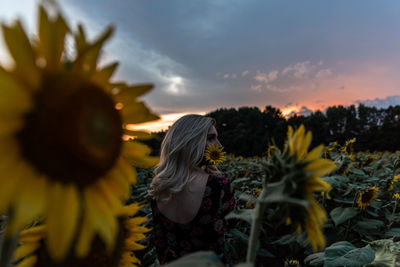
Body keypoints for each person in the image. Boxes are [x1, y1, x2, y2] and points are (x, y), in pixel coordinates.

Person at [148, 114, 236, 266]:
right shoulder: (217, 185)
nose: (219, 145)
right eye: (211, 138)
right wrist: (221, 180)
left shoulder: (158, 188)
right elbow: (233, 223)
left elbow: (160, 242)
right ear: (191, 142)